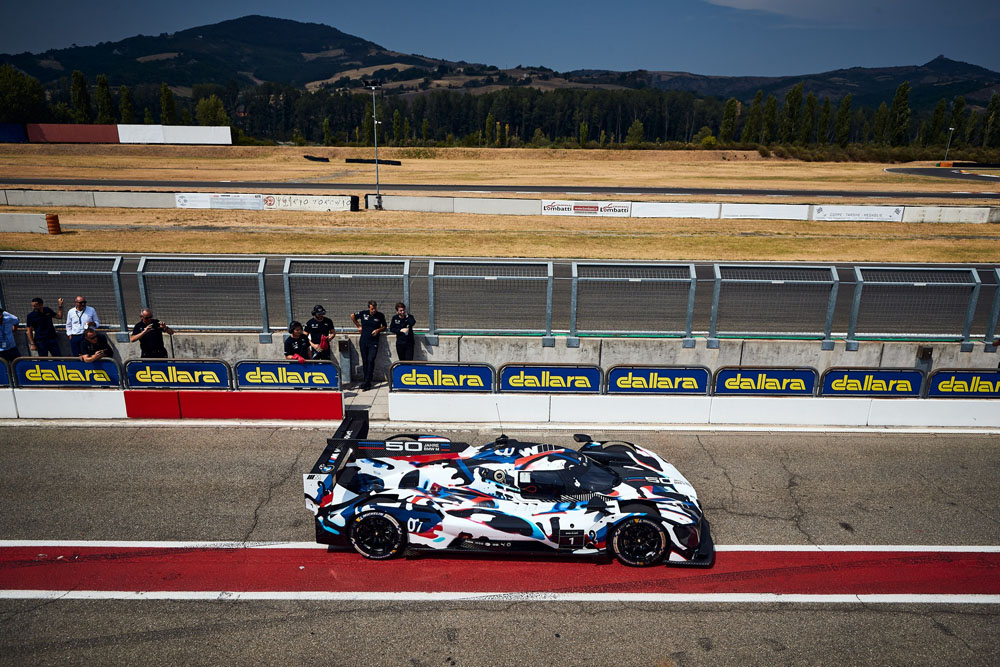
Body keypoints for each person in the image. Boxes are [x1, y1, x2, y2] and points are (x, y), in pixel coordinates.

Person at [350, 300, 386, 391]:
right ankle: (366, 381)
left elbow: (384, 326)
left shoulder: (380, 315)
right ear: (369, 308)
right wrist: (358, 325)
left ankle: (368, 381)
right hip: (364, 341)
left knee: (371, 360)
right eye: (372, 309)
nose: (373, 310)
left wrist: (378, 330)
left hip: (373, 342)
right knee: (365, 361)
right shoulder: (364, 313)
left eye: (375, 308)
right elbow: (352, 316)